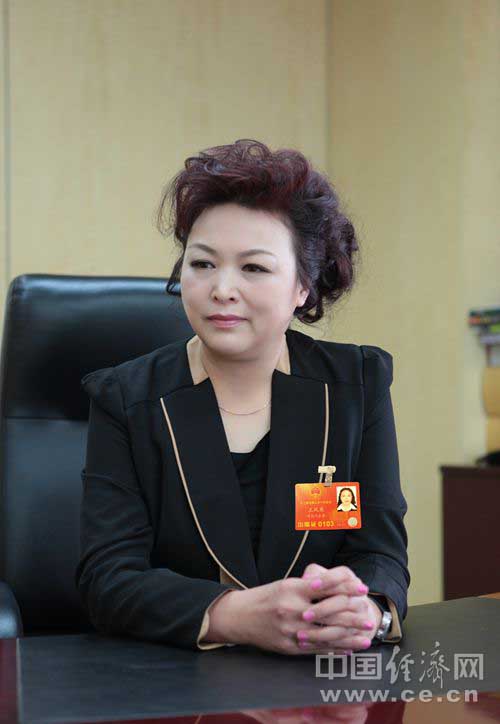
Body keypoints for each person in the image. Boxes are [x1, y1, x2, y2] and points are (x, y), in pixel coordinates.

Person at [75, 139, 410, 655]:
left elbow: (379, 552)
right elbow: (108, 579)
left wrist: (368, 610)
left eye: (253, 268)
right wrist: (235, 617)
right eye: (202, 264)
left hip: (320, 672)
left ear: (303, 286)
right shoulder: (126, 398)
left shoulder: (356, 385)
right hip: (172, 680)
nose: (221, 289)